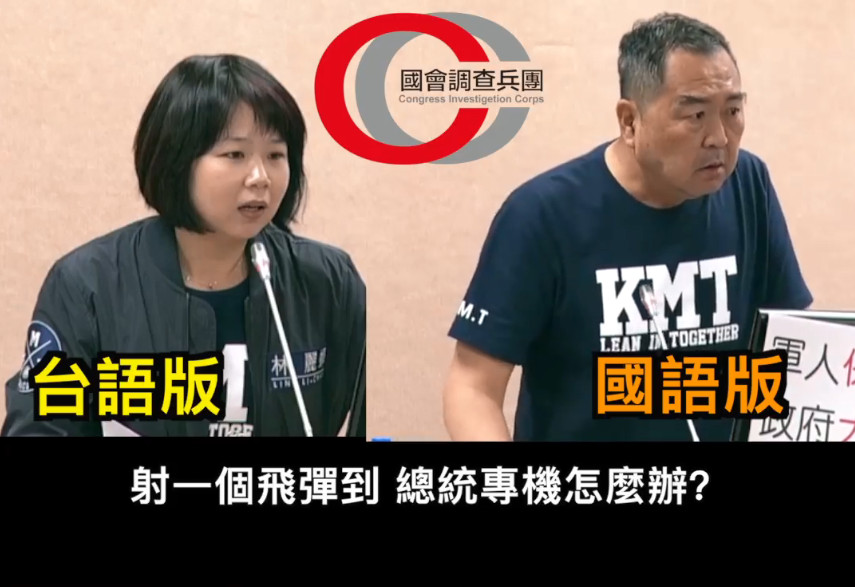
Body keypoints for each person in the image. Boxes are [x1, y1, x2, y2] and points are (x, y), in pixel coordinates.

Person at [441, 13, 812, 442]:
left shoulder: (749, 185)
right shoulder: (542, 215)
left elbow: (793, 346)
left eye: (732, 111)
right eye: (695, 115)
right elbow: (472, 388)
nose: (720, 138)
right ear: (630, 121)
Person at [2, 54, 366, 437]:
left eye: (276, 155)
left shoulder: (329, 282)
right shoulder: (88, 286)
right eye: (235, 154)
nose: (261, 177)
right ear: (176, 160)